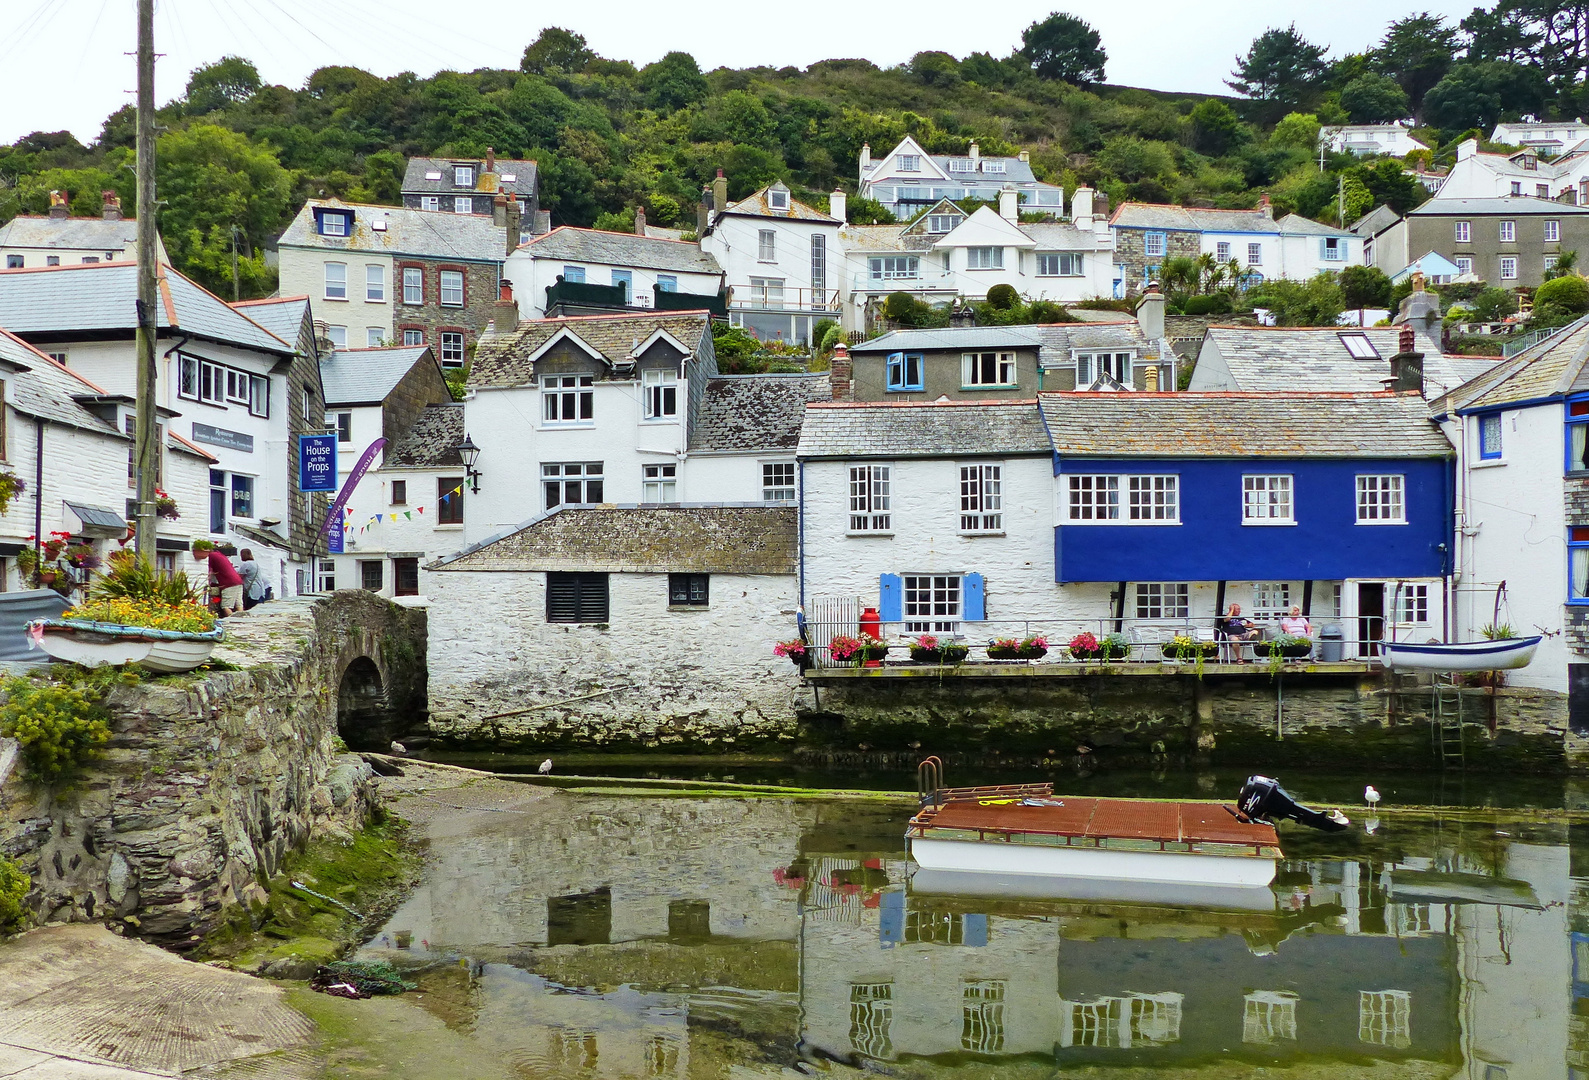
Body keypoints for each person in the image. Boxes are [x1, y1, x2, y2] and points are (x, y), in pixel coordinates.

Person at [195, 545, 244, 617]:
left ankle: (233, 622)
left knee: (226, 606)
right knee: (238, 604)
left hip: (229, 583)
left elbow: (209, 571)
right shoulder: (220, 555)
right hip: (238, 581)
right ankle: (242, 621)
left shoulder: (211, 556)